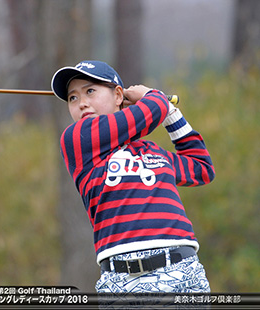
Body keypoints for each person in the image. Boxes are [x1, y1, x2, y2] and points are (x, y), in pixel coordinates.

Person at [50, 60, 215, 293]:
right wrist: (152, 96)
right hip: (121, 280)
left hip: (180, 272)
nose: (82, 104)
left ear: (118, 95)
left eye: (90, 91)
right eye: (73, 98)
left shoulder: (153, 151)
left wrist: (172, 114)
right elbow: (152, 109)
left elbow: (201, 167)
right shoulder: (77, 139)